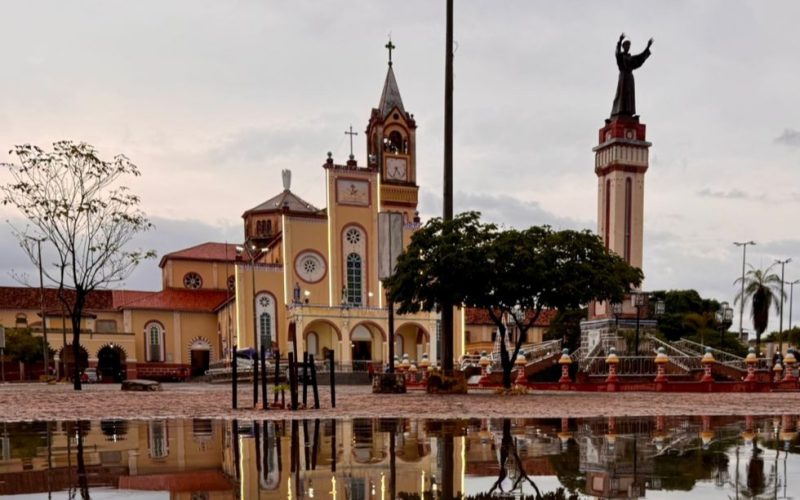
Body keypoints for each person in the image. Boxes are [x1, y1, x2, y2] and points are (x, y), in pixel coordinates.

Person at [611, 33, 653, 118]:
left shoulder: (631, 58)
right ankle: (619, 111)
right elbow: (617, 53)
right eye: (626, 45)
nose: (628, 47)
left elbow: (640, 57)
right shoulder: (621, 56)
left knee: (629, 94)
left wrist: (647, 47)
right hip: (623, 77)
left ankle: (628, 112)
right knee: (621, 94)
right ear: (623, 46)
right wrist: (619, 41)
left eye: (629, 45)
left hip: (630, 77)